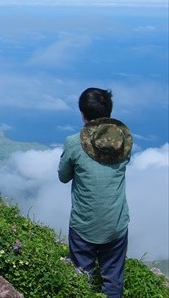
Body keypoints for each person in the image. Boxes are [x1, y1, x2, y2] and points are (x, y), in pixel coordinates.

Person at [58, 87, 132, 297]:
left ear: (83, 114)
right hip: (116, 224)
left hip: (84, 225)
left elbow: (63, 177)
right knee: (113, 280)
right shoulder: (124, 141)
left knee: (81, 278)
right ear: (109, 111)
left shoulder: (73, 143)